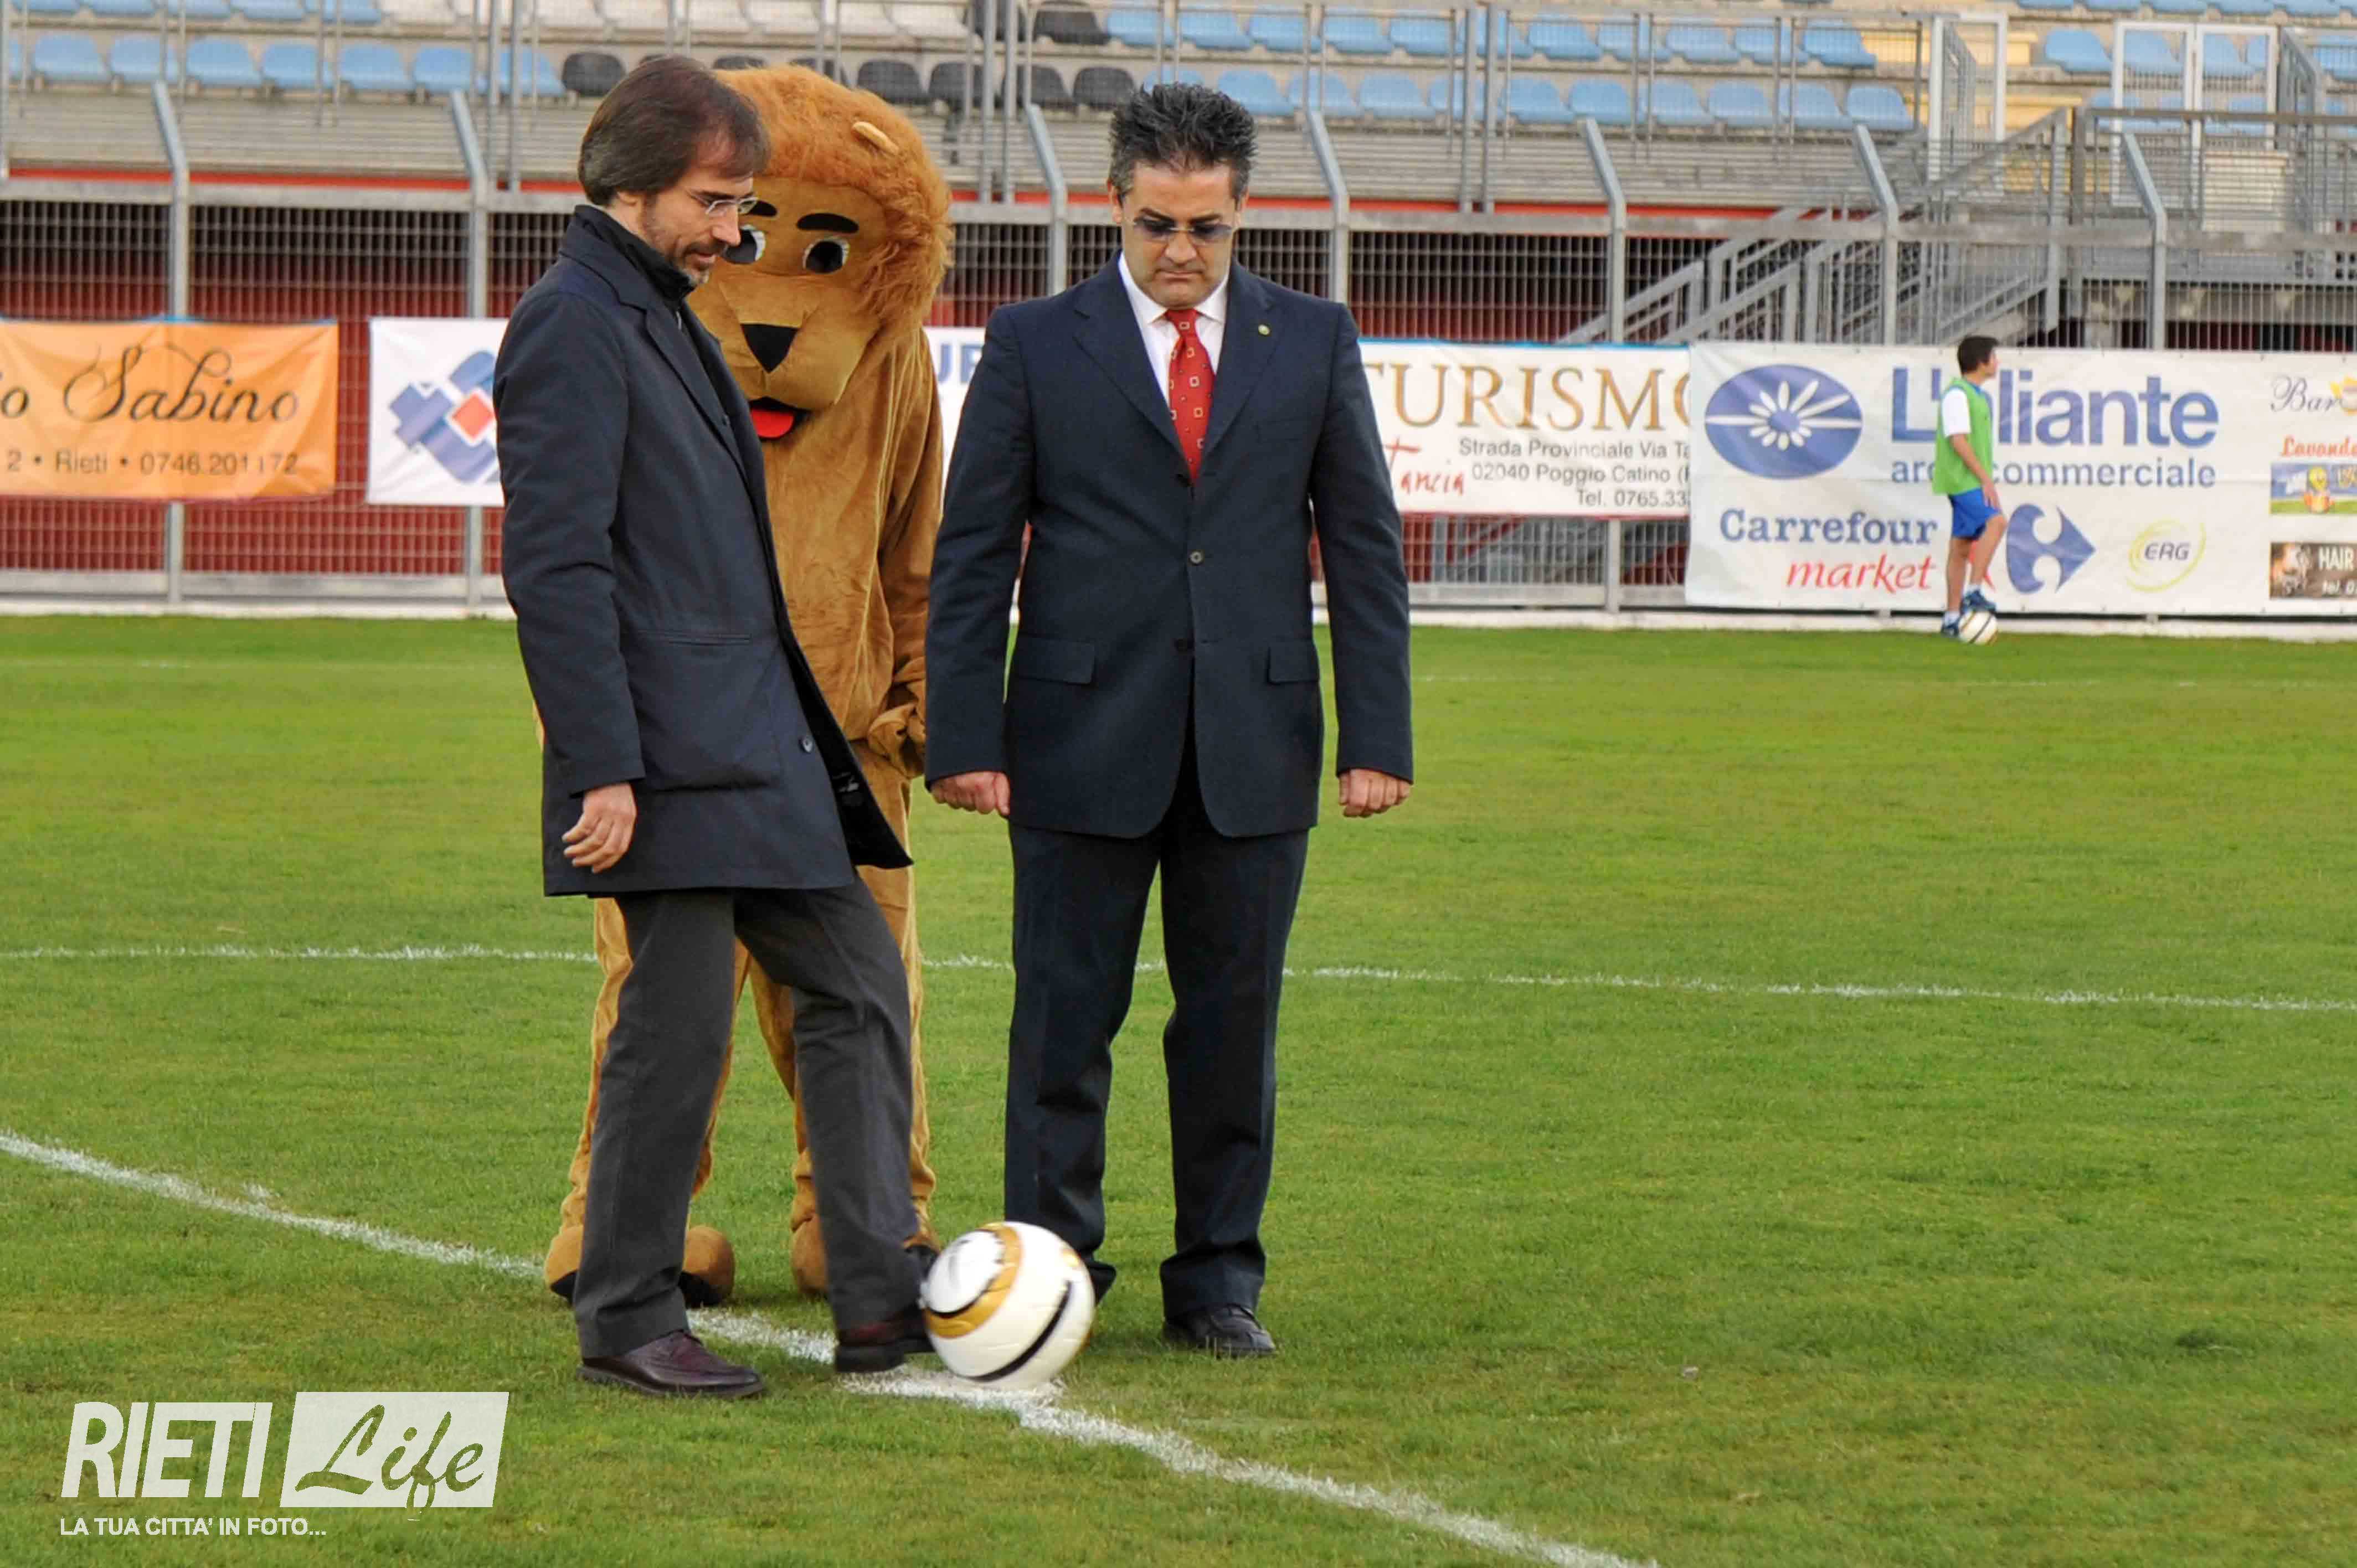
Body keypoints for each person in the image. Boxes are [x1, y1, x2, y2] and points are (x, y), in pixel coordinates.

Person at [925, 84, 1415, 1359]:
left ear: (1242, 212)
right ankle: (1053, 1279)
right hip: (1075, 740)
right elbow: (973, 551)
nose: (1181, 251)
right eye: (1157, 225)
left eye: (1206, 226)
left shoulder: (1313, 340)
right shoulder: (1034, 341)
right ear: (1114, 206)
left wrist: (1377, 737)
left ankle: (1216, 1285)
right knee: (1060, 1029)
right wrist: (964, 737)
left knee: (1232, 1035)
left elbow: (1363, 544)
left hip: (1256, 745)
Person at [496, 55, 930, 1397]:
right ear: (630, 185)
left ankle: (878, 1293)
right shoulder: (572, 323)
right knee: (675, 1030)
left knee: (857, 983)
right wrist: (602, 766)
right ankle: (629, 1313)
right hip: (665, 758)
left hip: (757, 748)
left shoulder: (663, 314)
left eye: (742, 202)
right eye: (714, 200)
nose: (734, 230)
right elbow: (557, 565)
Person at [1936, 335, 2008, 638]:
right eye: (1994, 356)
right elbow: (1958, 441)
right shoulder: (1958, 395)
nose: (1998, 362)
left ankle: (1952, 619)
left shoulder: (1975, 395)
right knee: (1998, 522)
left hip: (1966, 479)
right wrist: (1985, 479)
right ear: (1981, 362)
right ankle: (1973, 592)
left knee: (1961, 547)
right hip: (1962, 479)